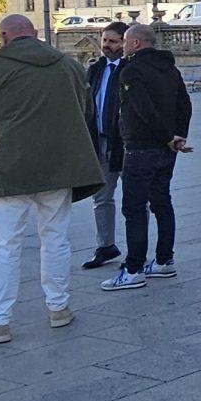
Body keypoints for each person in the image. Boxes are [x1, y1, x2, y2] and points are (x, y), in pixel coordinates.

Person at [0, 14, 103, 345]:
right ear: (34, 34)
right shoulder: (68, 65)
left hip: (13, 168)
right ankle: (59, 308)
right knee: (55, 239)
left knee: (7, 245)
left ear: (6, 35)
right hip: (60, 167)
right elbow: (87, 112)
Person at [101, 22, 192, 292]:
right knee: (162, 201)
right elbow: (184, 105)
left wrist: (166, 136)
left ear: (136, 44)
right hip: (167, 150)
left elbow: (142, 108)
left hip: (141, 148)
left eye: (126, 42)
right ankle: (164, 260)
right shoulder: (170, 69)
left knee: (134, 208)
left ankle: (134, 268)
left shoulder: (132, 70)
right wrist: (177, 136)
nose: (124, 46)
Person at [81, 22, 130, 271]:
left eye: (112, 41)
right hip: (100, 141)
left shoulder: (130, 69)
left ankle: (136, 251)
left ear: (125, 42)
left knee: (134, 199)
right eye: (104, 41)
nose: (106, 46)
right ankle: (105, 245)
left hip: (124, 143)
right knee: (101, 197)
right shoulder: (95, 69)